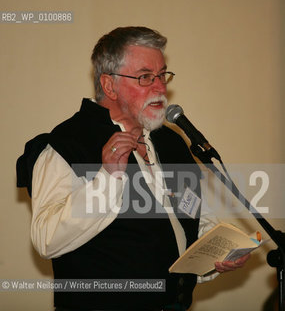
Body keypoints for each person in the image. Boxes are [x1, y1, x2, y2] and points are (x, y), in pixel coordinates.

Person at [16, 26, 250, 311]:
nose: (161, 88)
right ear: (109, 85)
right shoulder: (66, 143)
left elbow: (192, 220)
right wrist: (108, 178)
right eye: (145, 77)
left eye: (162, 75)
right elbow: (46, 239)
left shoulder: (171, 142)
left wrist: (218, 252)